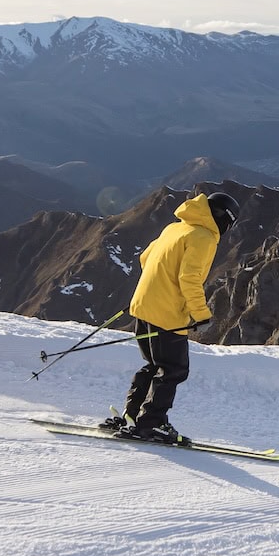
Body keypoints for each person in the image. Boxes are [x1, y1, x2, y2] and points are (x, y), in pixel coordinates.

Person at [101, 189, 239, 445]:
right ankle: (151, 424)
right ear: (225, 220)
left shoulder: (175, 228)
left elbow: (146, 258)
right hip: (167, 314)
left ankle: (131, 416)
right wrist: (201, 314)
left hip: (143, 306)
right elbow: (189, 279)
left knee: (153, 365)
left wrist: (157, 286)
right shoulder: (204, 237)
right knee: (173, 369)